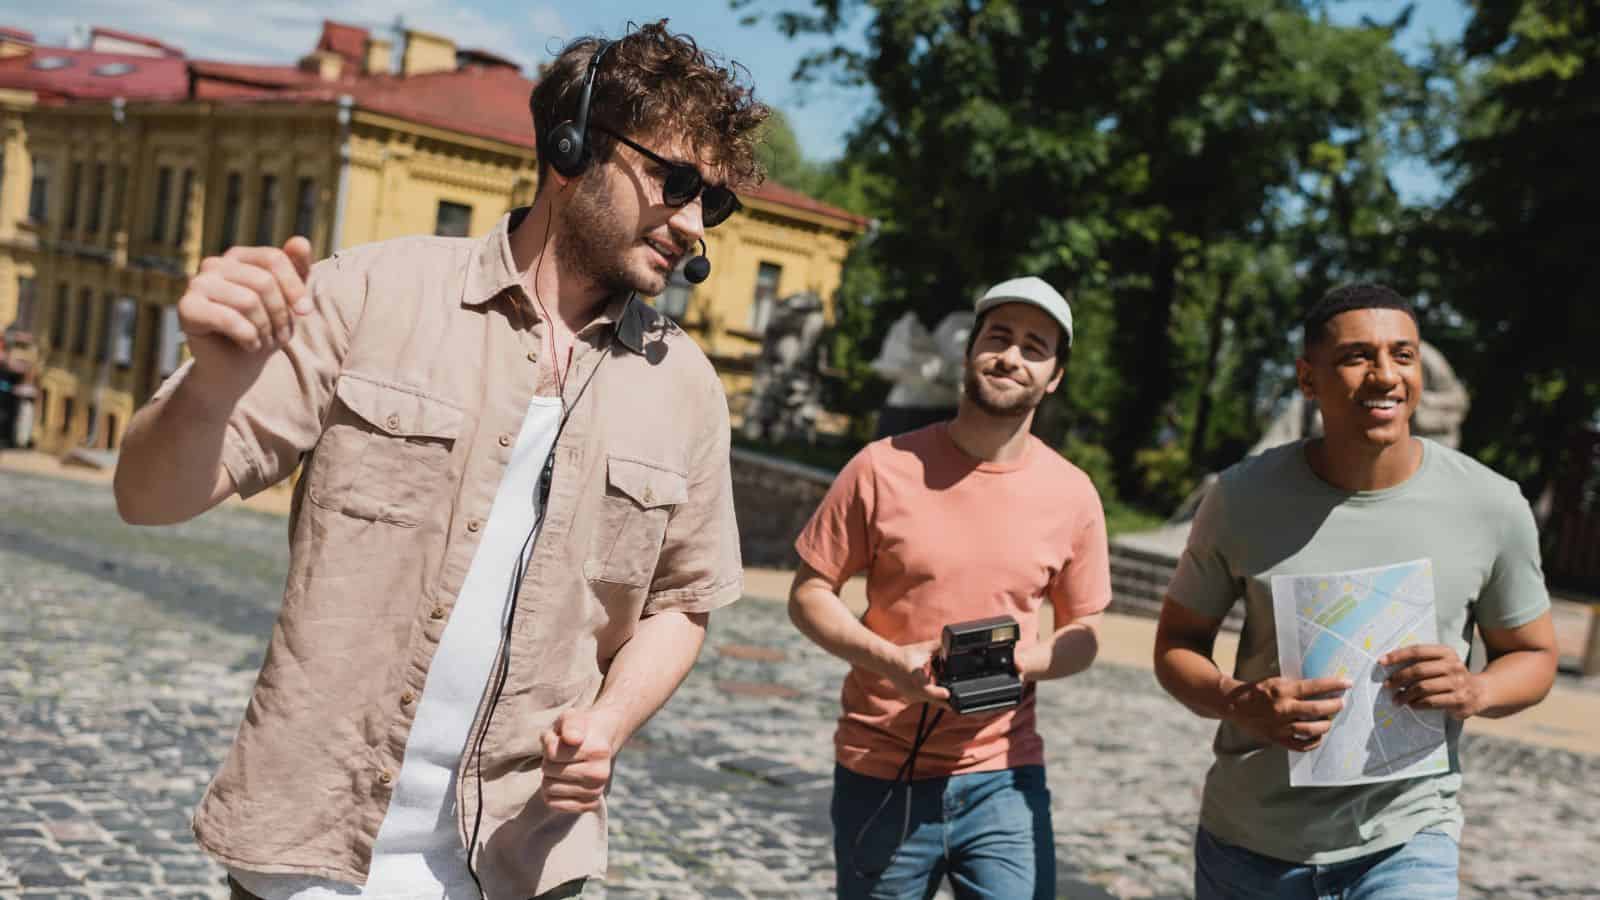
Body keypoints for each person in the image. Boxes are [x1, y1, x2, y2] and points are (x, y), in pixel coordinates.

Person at [113, 21, 766, 900]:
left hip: (524, 859)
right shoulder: (370, 293)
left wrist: (609, 722)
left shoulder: (684, 383)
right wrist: (214, 385)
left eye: (712, 203)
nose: (692, 225)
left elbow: (683, 601)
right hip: (312, 847)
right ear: (571, 147)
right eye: (675, 181)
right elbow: (149, 498)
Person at [1153, 283, 1558, 899]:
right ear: (1308, 379)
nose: (1385, 376)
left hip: (1407, 838)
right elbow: (1176, 646)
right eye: (1356, 357)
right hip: (1249, 847)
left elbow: (1534, 655)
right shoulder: (1239, 498)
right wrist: (1239, 701)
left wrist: (1476, 689)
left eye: (1403, 354)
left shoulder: (1492, 505)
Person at [789, 277, 1111, 899]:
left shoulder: (1073, 494)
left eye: (1034, 347)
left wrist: (1028, 660)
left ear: (1055, 376)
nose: (1011, 357)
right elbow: (809, 594)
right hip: (879, 768)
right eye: (999, 338)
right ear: (969, 352)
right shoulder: (880, 467)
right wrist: (888, 661)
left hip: (1004, 775)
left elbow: (1086, 632)